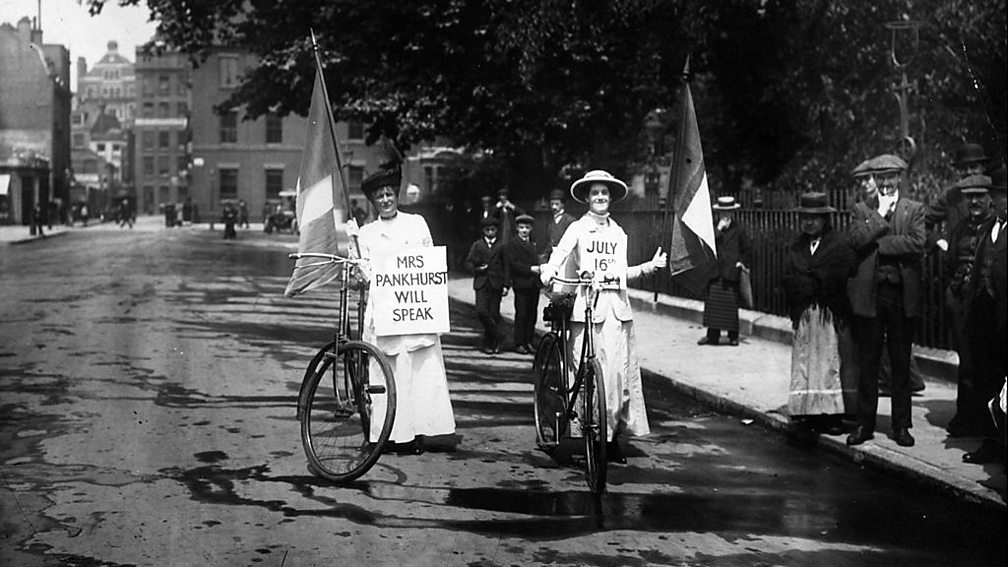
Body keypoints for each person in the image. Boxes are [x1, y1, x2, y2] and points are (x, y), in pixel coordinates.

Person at [539, 169, 667, 464]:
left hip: (616, 310)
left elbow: (621, 272)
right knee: (587, 374)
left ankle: (610, 438)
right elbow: (560, 253)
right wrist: (549, 270)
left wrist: (650, 266)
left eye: (604, 193)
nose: (600, 198)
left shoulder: (617, 232)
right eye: (595, 193)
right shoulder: (578, 228)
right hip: (588, 308)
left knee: (618, 376)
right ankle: (591, 434)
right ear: (587, 198)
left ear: (611, 198)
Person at [347, 158, 457, 455]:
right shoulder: (366, 234)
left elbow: (428, 263)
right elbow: (364, 274)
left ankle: (418, 431)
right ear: (372, 201)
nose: (385, 200)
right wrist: (357, 265)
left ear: (397, 195)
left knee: (419, 374)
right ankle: (386, 434)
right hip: (385, 317)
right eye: (379, 196)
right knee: (386, 373)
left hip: (414, 314)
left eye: (389, 195)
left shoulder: (416, 223)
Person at [846, 154, 925, 448]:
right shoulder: (862, 209)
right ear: (874, 180)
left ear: (900, 178)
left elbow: (917, 243)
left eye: (891, 177)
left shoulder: (913, 209)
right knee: (869, 361)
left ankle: (901, 425)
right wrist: (879, 218)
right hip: (871, 295)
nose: (886, 182)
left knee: (901, 361)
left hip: (902, 295)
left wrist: (879, 243)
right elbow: (856, 241)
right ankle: (864, 424)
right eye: (880, 177)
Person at [783, 192, 856, 435]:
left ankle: (831, 415)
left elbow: (841, 274)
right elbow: (789, 275)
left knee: (827, 362)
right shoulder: (797, 245)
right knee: (804, 360)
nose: (809, 222)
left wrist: (815, 281)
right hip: (804, 311)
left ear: (825, 219)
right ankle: (806, 411)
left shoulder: (837, 244)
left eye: (815, 218)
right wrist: (803, 286)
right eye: (805, 217)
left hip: (828, 311)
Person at [960, 166, 1007, 465]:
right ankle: (991, 442)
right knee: (986, 380)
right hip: (984, 318)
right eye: (999, 197)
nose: (1003, 202)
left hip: (1005, 318)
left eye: (1006, 197)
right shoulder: (987, 228)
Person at [941, 175, 993, 438]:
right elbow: (949, 262)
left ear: (989, 198)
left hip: (986, 301)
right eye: (970, 196)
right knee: (966, 359)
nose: (974, 201)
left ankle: (986, 421)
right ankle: (965, 416)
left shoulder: (995, 226)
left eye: (980, 196)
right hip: (961, 299)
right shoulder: (960, 228)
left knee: (986, 361)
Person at [698, 195, 751, 346]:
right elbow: (707, 245)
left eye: (728, 212)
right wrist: (718, 229)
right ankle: (712, 336)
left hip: (731, 272)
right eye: (723, 212)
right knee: (713, 304)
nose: (725, 215)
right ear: (718, 213)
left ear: (733, 212)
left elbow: (747, 249)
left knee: (731, 305)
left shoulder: (739, 229)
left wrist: (741, 262)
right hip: (715, 271)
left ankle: (733, 336)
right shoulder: (713, 227)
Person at [926, 142, 990, 253]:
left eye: (973, 167)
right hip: (959, 260)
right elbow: (920, 222)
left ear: (983, 167)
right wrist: (939, 241)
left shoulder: (996, 191)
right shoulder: (951, 196)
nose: (969, 172)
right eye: (964, 168)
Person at [466, 217, 507, 354]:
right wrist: (477, 269)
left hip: (496, 283)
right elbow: (468, 263)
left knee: (494, 314)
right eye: (487, 230)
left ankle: (490, 344)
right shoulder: (477, 245)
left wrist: (507, 285)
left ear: (496, 230)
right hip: (481, 283)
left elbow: (506, 266)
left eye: (493, 230)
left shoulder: (501, 246)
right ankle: (499, 334)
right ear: (483, 231)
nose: (490, 232)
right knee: (481, 311)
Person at [504, 214, 541, 354]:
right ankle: (519, 342)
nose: (524, 230)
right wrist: (529, 269)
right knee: (522, 314)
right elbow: (513, 264)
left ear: (531, 228)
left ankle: (529, 341)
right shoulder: (513, 244)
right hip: (521, 283)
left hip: (534, 284)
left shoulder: (533, 243)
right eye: (521, 228)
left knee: (532, 314)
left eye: (527, 227)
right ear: (517, 228)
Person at [542, 188, 577, 262]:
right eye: (552, 204)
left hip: (566, 258)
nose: (554, 207)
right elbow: (549, 242)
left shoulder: (570, 220)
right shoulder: (550, 221)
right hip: (552, 258)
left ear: (563, 204)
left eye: (557, 204)